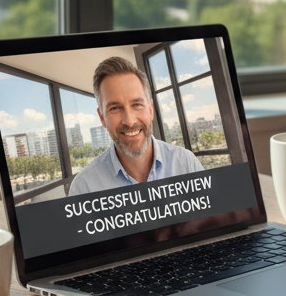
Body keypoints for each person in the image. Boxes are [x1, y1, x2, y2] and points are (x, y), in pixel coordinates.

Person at [68, 56, 204, 195]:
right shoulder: (83, 188)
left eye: (137, 105)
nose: (130, 121)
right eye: (115, 108)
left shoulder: (187, 165)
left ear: (150, 110)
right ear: (102, 117)